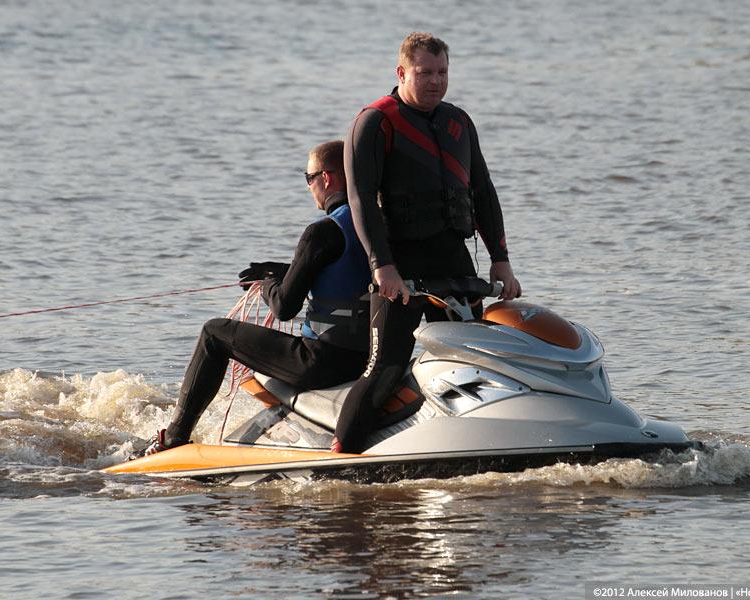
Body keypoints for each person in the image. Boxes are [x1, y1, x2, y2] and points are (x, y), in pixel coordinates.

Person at [333, 32, 521, 453]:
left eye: (442, 72)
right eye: (424, 72)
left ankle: (478, 442)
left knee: (476, 361)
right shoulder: (375, 121)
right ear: (402, 72)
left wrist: (501, 260)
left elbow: (484, 193)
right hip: (399, 264)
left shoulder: (459, 122)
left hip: (453, 260)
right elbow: (361, 198)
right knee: (386, 367)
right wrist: (382, 267)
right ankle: (342, 452)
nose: (435, 81)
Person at [143, 140, 371, 455]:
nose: (308, 187)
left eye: (308, 179)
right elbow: (347, 270)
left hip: (321, 362)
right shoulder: (376, 224)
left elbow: (284, 307)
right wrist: (286, 271)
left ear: (328, 178)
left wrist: (267, 285)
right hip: (368, 358)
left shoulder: (322, 231)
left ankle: (174, 439)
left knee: (214, 333)